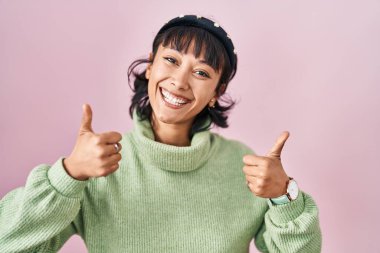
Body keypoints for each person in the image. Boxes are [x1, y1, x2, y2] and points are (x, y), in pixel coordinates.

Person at [0, 14, 322, 253]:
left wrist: (284, 196)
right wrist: (67, 175)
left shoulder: (242, 166)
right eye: (171, 60)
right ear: (151, 66)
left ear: (216, 92)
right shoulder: (98, 163)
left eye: (201, 72)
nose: (180, 82)